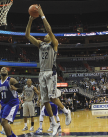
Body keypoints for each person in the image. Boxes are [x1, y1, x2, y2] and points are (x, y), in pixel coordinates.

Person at [25, 5, 71, 136]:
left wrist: (42, 14)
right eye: (45, 35)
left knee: (52, 97)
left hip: (51, 72)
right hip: (42, 73)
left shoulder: (54, 43)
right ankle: (54, 123)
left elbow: (49, 29)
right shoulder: (40, 44)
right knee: (44, 101)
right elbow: (27, 35)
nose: (45, 35)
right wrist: (30, 20)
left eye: (47, 35)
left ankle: (67, 112)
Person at [0, 67, 23, 137]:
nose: (3, 69)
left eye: (5, 69)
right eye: (2, 69)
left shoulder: (11, 80)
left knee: (4, 121)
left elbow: (21, 90)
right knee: (3, 123)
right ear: (0, 73)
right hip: (4, 104)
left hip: (12, 103)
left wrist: (15, 88)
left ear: (7, 73)